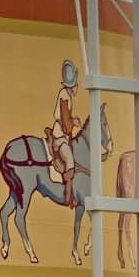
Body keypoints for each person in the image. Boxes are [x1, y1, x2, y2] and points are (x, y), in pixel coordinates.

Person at [51, 59, 82, 209]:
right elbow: (64, 121)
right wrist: (73, 123)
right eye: (77, 85)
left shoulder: (67, 95)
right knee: (69, 159)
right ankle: (68, 196)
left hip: (63, 133)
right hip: (60, 134)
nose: (77, 88)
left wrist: (72, 119)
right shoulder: (65, 95)